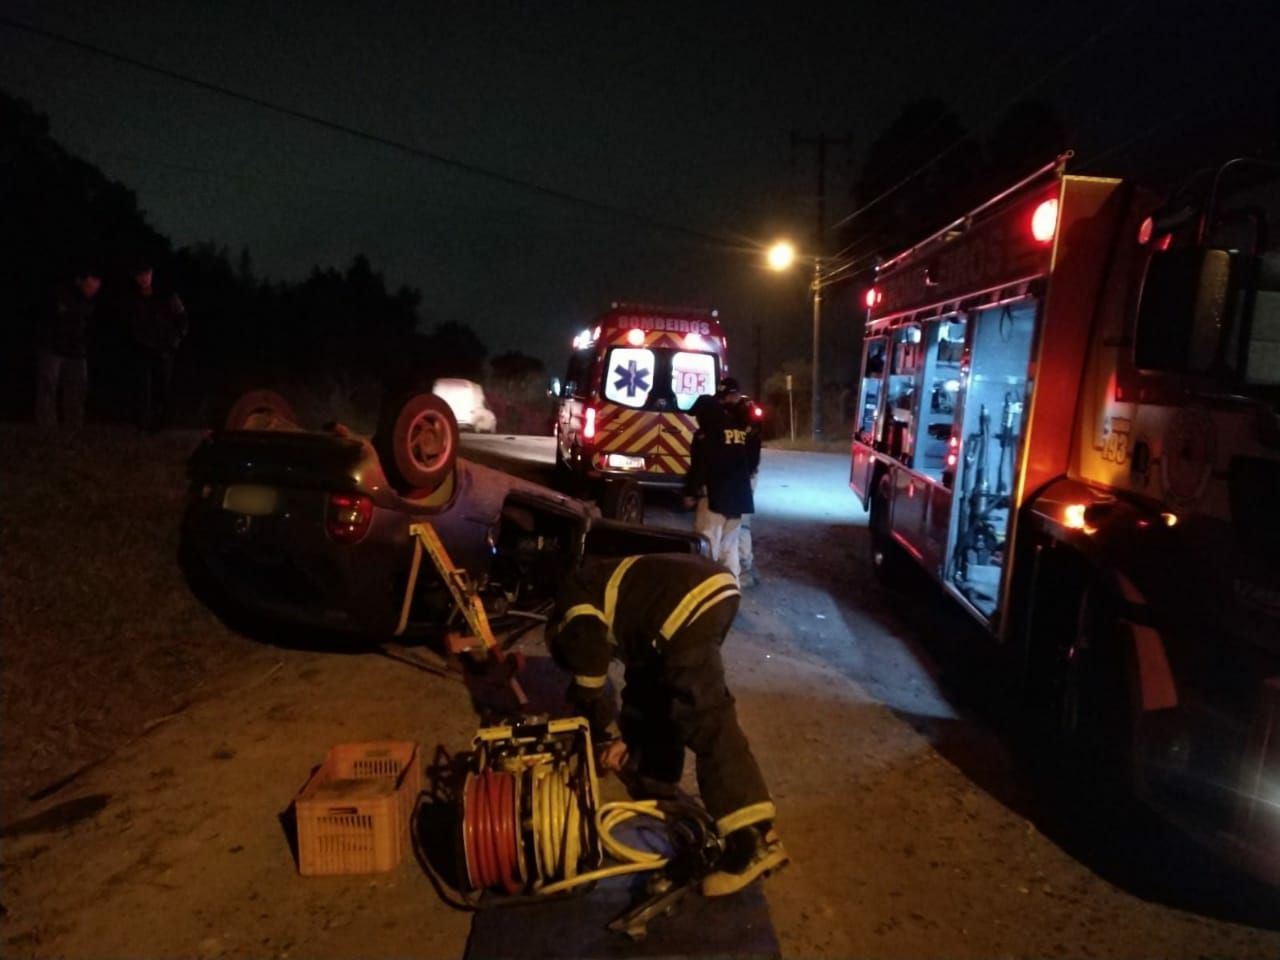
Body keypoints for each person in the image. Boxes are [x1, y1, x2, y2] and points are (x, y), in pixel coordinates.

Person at [546, 552, 788, 896]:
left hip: (686, 603)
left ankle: (755, 839)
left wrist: (594, 730)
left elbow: (590, 673)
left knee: (703, 712)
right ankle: (658, 781)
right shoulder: (627, 614)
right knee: (661, 689)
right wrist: (627, 739)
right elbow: (643, 688)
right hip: (701, 592)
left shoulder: (574, 602)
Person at [684, 391, 754, 584]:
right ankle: (731, 590)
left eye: (698, 415)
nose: (697, 420)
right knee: (729, 548)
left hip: (715, 498)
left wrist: (690, 492)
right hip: (740, 499)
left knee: (707, 546)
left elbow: (700, 466)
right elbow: (750, 460)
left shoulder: (705, 435)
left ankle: (706, 590)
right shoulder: (737, 429)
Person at [121, 261, 187, 431]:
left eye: (147, 274)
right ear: (135, 278)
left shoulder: (167, 295)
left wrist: (175, 340)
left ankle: (161, 424)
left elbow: (182, 319)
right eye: (140, 275)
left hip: (164, 349)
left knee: (162, 387)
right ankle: (142, 424)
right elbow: (127, 323)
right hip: (141, 348)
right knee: (142, 387)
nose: (144, 278)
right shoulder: (131, 298)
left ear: (152, 274)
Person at [36, 265, 101, 428]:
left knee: (77, 387)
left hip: (77, 349)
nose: (93, 289)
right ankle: (47, 426)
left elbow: (87, 319)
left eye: (96, 286)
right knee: (48, 386)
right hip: (52, 346)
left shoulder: (91, 300)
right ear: (81, 281)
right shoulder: (62, 292)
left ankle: (74, 424)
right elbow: (57, 315)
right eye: (90, 285)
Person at [717, 379, 763, 587]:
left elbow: (750, 448)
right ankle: (739, 564)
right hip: (743, 475)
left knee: (740, 522)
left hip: (743, 475)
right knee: (737, 521)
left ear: (733, 394)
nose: (724, 400)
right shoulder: (745, 413)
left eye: (726, 396)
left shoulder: (741, 415)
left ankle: (743, 566)